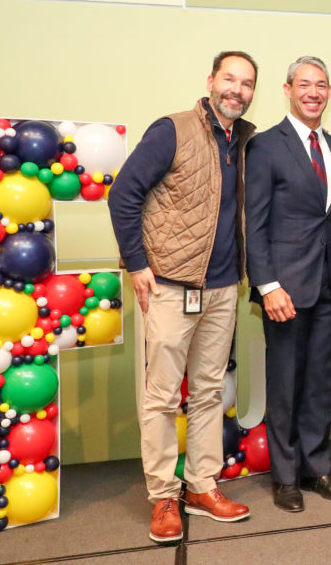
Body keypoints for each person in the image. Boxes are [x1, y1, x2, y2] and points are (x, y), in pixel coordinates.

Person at [108, 51, 256, 542]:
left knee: (210, 391)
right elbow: (123, 193)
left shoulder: (244, 140)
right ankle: (163, 497)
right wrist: (136, 264)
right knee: (163, 397)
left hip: (221, 289)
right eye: (229, 79)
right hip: (171, 285)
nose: (236, 90)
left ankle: (202, 485)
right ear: (211, 80)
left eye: (246, 83)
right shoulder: (172, 129)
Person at [245, 56, 331, 512]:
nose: (313, 92)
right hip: (285, 290)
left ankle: (316, 468)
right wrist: (267, 285)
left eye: (321, 85)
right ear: (288, 89)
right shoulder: (265, 147)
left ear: (329, 92)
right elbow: (253, 225)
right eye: (304, 84)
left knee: (319, 382)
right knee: (285, 384)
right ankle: (284, 477)